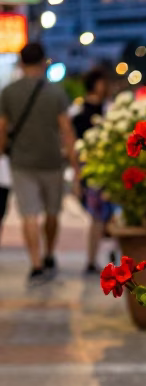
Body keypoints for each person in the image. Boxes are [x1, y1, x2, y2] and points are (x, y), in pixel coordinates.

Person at [0, 42, 80, 282]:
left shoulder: (9, 92)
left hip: (22, 162)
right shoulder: (55, 93)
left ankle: (35, 264)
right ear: (44, 62)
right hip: (52, 161)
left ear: (21, 62)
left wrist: (3, 150)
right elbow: (67, 131)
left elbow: (2, 128)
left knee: (29, 214)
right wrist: (75, 166)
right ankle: (49, 254)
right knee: (52, 212)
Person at [74, 68, 114, 274]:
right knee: (98, 217)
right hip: (93, 170)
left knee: (107, 216)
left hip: (110, 169)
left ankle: (108, 256)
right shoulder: (82, 113)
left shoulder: (109, 109)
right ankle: (92, 259)